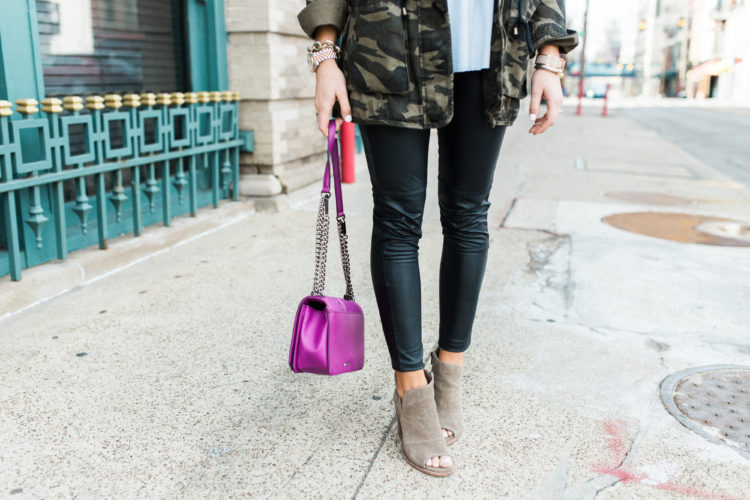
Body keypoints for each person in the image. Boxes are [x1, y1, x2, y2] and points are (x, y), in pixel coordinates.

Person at [298, 0, 578, 477]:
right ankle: (410, 385)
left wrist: (550, 54)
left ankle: (449, 372)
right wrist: (326, 55)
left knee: (469, 216)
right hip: (387, 47)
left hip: (491, 53)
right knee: (398, 220)